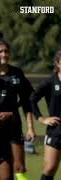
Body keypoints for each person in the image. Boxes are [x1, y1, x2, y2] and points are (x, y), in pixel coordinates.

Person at [0, 32, 34, 178]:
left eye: (6, 51)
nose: (4, 54)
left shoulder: (17, 73)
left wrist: (30, 128)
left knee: (19, 167)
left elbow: (28, 100)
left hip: (14, 127)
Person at [30, 49, 61, 180]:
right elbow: (32, 99)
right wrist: (42, 118)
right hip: (56, 131)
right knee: (49, 169)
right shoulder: (50, 82)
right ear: (58, 63)